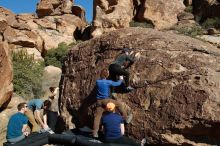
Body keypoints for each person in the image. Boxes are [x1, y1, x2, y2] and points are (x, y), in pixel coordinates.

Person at [93, 69, 132, 138]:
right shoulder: (108, 82)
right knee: (119, 104)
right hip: (106, 100)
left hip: (98, 101)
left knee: (97, 117)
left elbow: (102, 83)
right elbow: (117, 84)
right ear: (107, 75)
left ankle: (95, 133)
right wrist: (121, 79)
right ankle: (125, 118)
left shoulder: (97, 82)